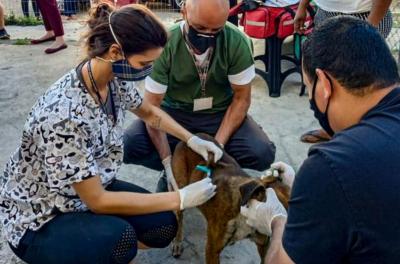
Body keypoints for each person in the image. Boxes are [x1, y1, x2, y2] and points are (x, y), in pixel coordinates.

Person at [0, 4, 223, 264]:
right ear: (116, 51)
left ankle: (94, 247)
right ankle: (76, 250)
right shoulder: (64, 116)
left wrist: (191, 139)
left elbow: (150, 113)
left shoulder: (110, 78)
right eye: (144, 63)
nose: (148, 69)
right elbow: (98, 201)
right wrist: (181, 197)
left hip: (86, 189)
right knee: (121, 240)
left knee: (162, 225)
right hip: (42, 215)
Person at [241, 16, 400, 263]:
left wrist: (277, 220)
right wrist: (312, 195)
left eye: (309, 88)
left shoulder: (333, 165)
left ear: (324, 84)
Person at [123, 0, 276, 192]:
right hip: (174, 114)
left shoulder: (237, 41)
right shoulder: (164, 43)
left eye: (215, 30)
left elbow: (241, 99)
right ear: (184, 11)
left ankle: (216, 168)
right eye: (200, 27)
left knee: (261, 152)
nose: (207, 35)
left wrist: (217, 146)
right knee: (129, 144)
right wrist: (168, 162)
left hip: (219, 114)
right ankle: (176, 169)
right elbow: (152, 108)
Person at [294, 0, 393, 143]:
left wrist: (368, 29)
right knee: (329, 80)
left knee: (362, 83)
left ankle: (361, 135)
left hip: (364, 15)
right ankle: (333, 129)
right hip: (326, 13)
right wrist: (302, 6)